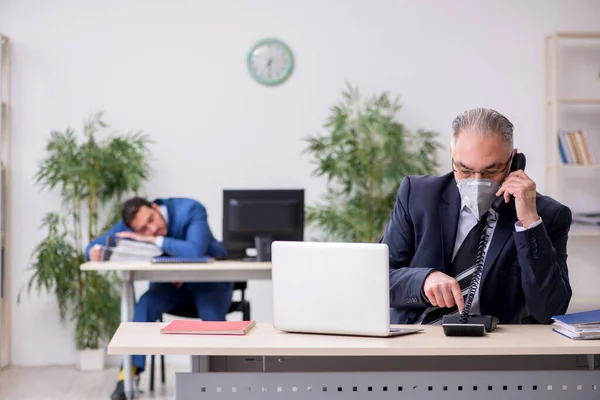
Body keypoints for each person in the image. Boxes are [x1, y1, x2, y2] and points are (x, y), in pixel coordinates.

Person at [381, 108, 572, 326]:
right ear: (452, 154)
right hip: (417, 340)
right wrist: (422, 281)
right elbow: (377, 278)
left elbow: (550, 311)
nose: (477, 180)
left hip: (493, 349)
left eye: (492, 171)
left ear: (513, 161)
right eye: (464, 170)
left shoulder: (548, 216)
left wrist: (529, 224)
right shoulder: (416, 196)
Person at [85, 197, 233, 400]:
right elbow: (93, 246)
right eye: (143, 229)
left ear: (155, 207)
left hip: (210, 285)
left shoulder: (190, 210)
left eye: (152, 220)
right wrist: (94, 252)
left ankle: (219, 383)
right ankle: (127, 378)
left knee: (211, 315)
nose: (151, 228)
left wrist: (152, 240)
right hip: (173, 288)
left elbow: (194, 250)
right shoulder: (133, 222)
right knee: (146, 304)